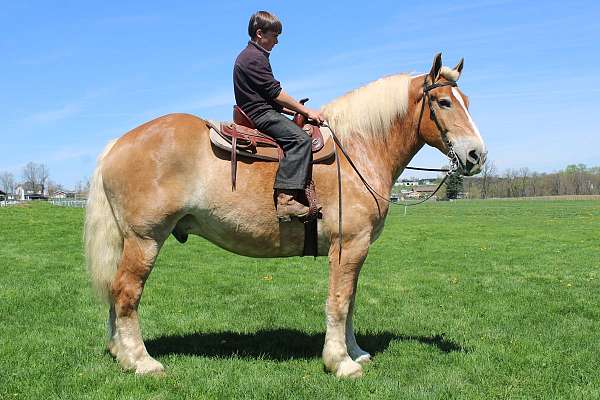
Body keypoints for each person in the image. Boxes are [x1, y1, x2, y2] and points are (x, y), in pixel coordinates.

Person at [233, 10, 325, 221]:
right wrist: (305, 111)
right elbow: (275, 93)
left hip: (263, 109)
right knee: (301, 140)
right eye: (274, 36)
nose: (276, 41)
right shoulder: (253, 58)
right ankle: (286, 200)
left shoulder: (254, 55)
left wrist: (296, 110)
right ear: (259, 33)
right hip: (260, 114)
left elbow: (269, 95)